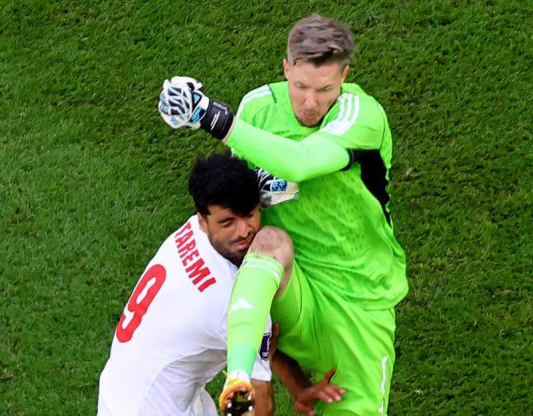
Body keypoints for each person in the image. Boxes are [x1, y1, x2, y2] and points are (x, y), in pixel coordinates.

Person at [158, 13, 408, 416]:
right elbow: (239, 217)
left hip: (359, 302)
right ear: (286, 69)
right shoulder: (257, 109)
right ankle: (238, 376)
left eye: (325, 89)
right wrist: (262, 367)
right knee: (269, 241)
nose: (311, 103)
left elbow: (301, 162)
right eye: (300, 86)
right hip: (282, 286)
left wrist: (210, 116)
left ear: (344, 76)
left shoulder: (362, 116)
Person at [97, 153, 343, 416]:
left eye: (249, 214)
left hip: (122, 392)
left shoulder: (192, 232)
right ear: (203, 220)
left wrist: (298, 389)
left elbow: (261, 346)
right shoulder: (234, 299)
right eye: (227, 222)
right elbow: (260, 404)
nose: (243, 231)